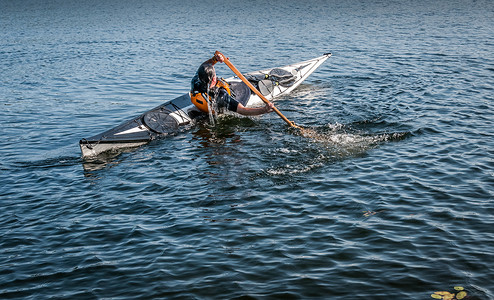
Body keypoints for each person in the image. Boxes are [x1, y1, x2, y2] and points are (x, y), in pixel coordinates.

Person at [190, 52, 274, 116]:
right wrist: (264, 109)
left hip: (202, 105)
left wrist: (214, 59)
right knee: (248, 87)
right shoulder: (221, 95)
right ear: (214, 79)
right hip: (225, 103)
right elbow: (243, 111)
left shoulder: (196, 81)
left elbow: (204, 66)